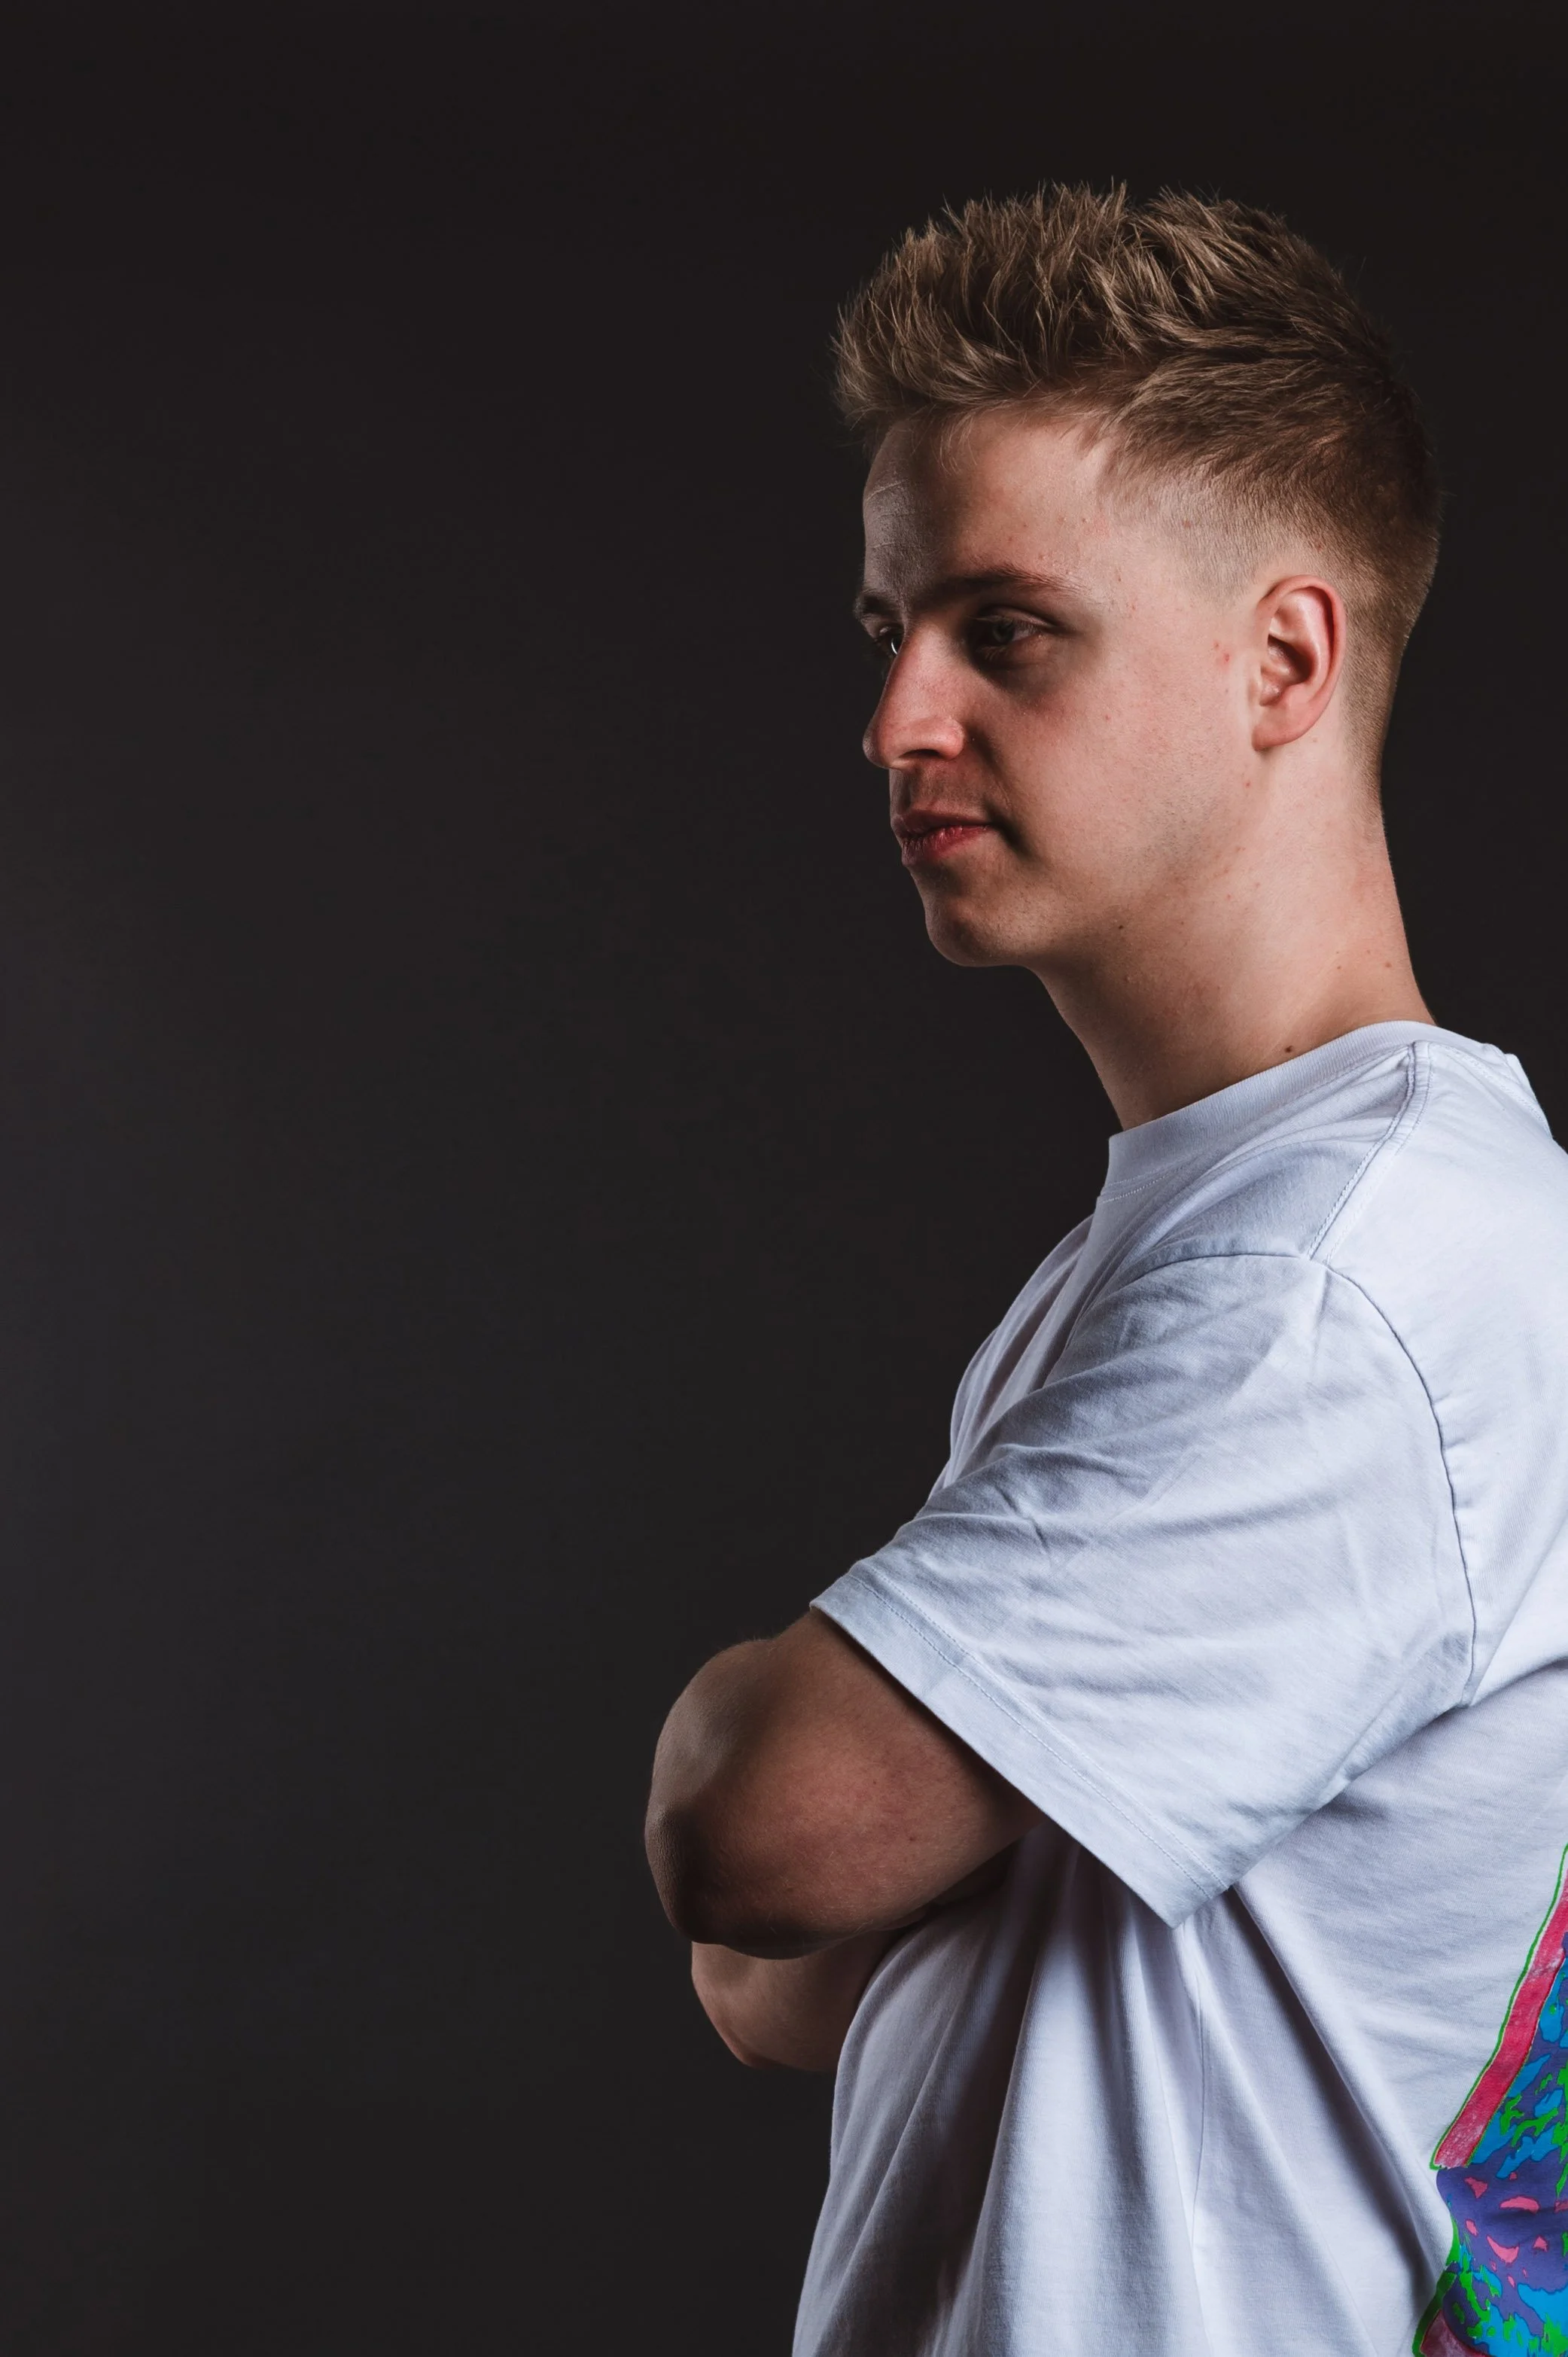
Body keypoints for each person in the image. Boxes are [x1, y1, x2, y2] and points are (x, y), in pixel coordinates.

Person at [644, 186, 1568, 2356]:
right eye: (892, 629)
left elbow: (756, 1838)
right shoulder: (1180, 1248)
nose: (899, 719)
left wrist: (756, 1720)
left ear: (1286, 660)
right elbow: (785, 1999)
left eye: (1007, 630)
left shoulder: (1351, 1277)